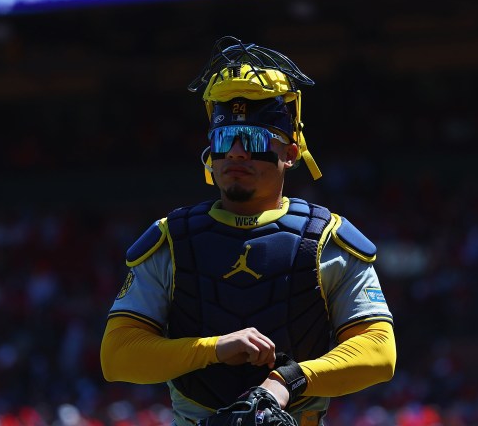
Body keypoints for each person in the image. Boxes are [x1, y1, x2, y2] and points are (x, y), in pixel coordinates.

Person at [100, 36, 396, 426]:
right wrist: (214, 349)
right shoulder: (171, 239)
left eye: (254, 139)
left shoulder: (328, 239)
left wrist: (287, 382)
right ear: (210, 151)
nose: (237, 152)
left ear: (290, 154)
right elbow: (117, 356)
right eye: (225, 139)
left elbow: (380, 352)